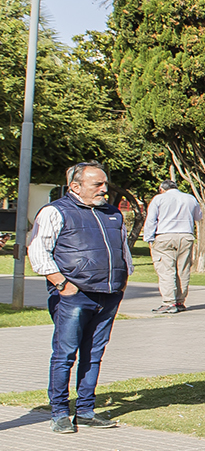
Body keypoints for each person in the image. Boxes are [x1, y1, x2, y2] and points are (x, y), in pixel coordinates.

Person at [26, 163, 130, 432]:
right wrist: (63, 284)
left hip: (109, 294)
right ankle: (60, 412)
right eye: (97, 184)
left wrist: (123, 280)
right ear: (75, 186)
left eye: (105, 183)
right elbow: (38, 250)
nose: (104, 189)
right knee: (65, 355)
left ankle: (85, 410)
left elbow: (123, 250)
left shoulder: (112, 213)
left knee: (93, 355)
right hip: (74, 296)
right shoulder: (55, 211)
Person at [140, 178, 201, 314]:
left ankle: (169, 302)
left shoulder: (159, 199)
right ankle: (180, 301)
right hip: (186, 235)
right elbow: (198, 216)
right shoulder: (190, 198)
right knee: (183, 270)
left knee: (166, 270)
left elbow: (151, 219)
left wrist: (149, 238)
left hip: (164, 236)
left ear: (162, 189)